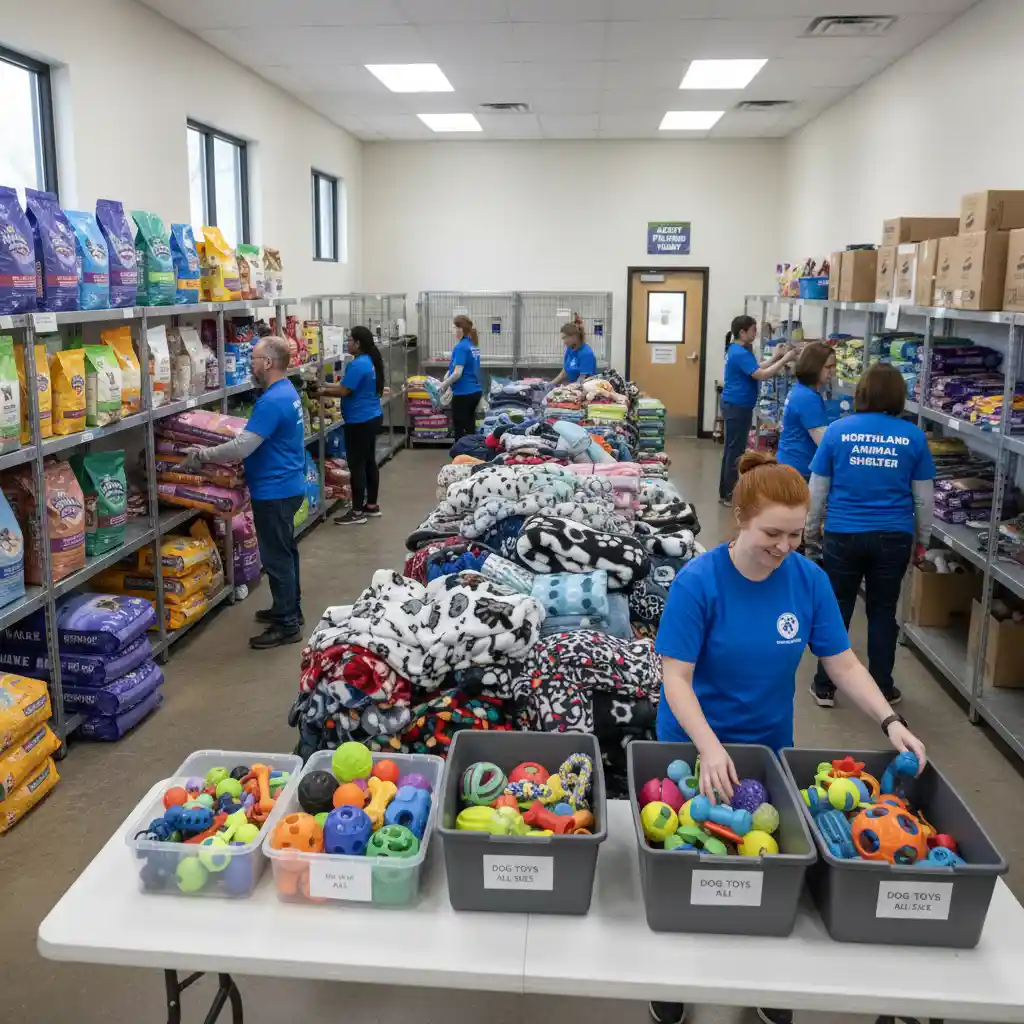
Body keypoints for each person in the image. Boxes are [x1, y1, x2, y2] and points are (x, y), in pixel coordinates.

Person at [649, 451, 927, 1024]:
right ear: (739, 521)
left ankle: (767, 980)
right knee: (687, 863)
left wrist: (891, 721)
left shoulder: (808, 580)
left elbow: (843, 663)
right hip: (691, 743)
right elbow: (675, 677)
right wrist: (707, 748)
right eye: (771, 533)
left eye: (796, 534)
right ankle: (671, 974)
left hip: (767, 747)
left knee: (765, 868)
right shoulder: (699, 583)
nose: (784, 546)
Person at [806, 363, 935, 708]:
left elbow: (818, 488)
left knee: (837, 610)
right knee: (882, 611)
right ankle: (881, 687)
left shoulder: (838, 431)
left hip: (843, 533)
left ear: (861, 392)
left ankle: (825, 686)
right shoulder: (913, 436)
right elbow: (923, 496)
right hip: (893, 535)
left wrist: (810, 531)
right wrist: (923, 539)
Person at [182, 335, 305, 650]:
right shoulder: (287, 391)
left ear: (267, 363)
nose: (250, 364)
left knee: (276, 558)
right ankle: (289, 609)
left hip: (274, 490)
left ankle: (287, 625)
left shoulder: (272, 400)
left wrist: (204, 455)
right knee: (286, 552)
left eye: (253, 359)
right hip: (288, 484)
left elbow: (243, 446)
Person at [719, 315, 795, 506]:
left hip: (736, 404)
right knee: (735, 450)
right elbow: (761, 374)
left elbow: (755, 368)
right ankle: (729, 494)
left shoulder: (738, 350)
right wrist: (785, 358)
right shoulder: (739, 352)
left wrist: (776, 357)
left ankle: (727, 491)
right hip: (737, 405)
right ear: (742, 332)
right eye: (753, 330)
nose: (755, 333)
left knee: (732, 448)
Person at [312, 326, 385, 526]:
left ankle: (357, 512)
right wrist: (324, 386)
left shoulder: (358, 364)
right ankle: (371, 506)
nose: (347, 343)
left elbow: (344, 391)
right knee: (369, 461)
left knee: (357, 465)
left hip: (359, 421)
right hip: (371, 417)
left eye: (350, 340)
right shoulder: (368, 361)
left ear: (358, 343)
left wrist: (319, 393)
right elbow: (346, 385)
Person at [776, 342, 834, 479]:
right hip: (798, 469)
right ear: (814, 367)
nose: (833, 371)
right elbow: (823, 442)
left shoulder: (800, 390)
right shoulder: (808, 398)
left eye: (834, 366)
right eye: (828, 367)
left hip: (788, 462)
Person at [439, 315, 482, 440]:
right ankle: (472, 455)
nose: (451, 329)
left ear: (460, 329)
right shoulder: (472, 345)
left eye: (453, 327)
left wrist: (444, 385)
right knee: (470, 428)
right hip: (474, 391)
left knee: (460, 430)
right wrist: (447, 379)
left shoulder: (460, 347)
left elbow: (458, 373)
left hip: (464, 393)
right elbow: (456, 367)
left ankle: (461, 456)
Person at [550, 322, 597, 386]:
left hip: (583, 389)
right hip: (571, 385)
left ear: (574, 337)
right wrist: (550, 384)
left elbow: (583, 379)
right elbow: (566, 370)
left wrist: (567, 389)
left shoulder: (586, 354)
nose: (564, 342)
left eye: (565, 338)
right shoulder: (570, 349)